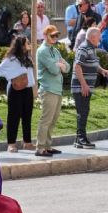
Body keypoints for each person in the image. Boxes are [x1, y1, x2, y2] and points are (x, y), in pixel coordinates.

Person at [0, 35, 35, 152]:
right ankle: (11, 144)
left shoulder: (27, 58)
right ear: (21, 45)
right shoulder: (10, 59)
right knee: (14, 117)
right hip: (15, 90)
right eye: (27, 43)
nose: (29, 44)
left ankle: (27, 142)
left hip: (28, 90)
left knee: (27, 116)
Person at [35, 25, 70, 157]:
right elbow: (54, 70)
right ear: (45, 36)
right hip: (48, 89)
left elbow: (67, 67)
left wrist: (60, 65)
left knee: (53, 119)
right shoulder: (42, 50)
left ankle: (48, 146)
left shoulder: (55, 50)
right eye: (52, 35)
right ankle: (40, 148)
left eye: (56, 35)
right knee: (46, 119)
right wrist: (59, 65)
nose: (55, 38)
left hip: (57, 89)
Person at [72, 27, 108, 148]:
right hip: (81, 87)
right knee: (82, 112)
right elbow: (77, 66)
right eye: (99, 36)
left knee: (84, 111)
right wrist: (84, 84)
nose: (101, 38)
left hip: (86, 86)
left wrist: (102, 70)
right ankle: (81, 138)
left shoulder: (91, 48)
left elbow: (93, 63)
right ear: (93, 37)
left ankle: (79, 139)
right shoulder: (84, 47)